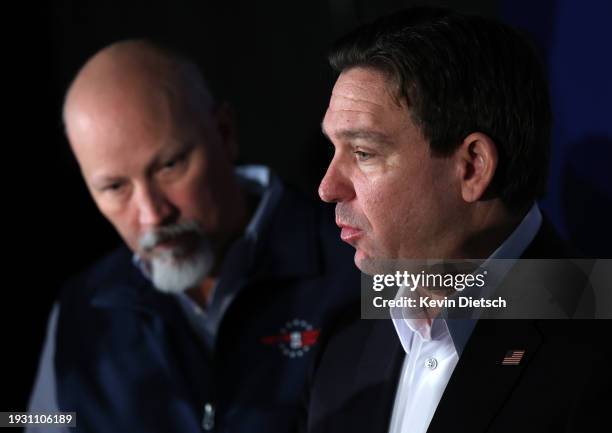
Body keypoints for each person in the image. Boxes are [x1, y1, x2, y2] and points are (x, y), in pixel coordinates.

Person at [301, 7, 610, 433]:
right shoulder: (345, 343)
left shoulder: (593, 350)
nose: (327, 187)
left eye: (364, 153)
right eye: (333, 149)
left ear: (472, 167)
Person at [28, 39, 359, 433]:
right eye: (115, 187)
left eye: (169, 166)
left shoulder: (363, 261)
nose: (152, 215)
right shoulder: (80, 311)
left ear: (224, 132)